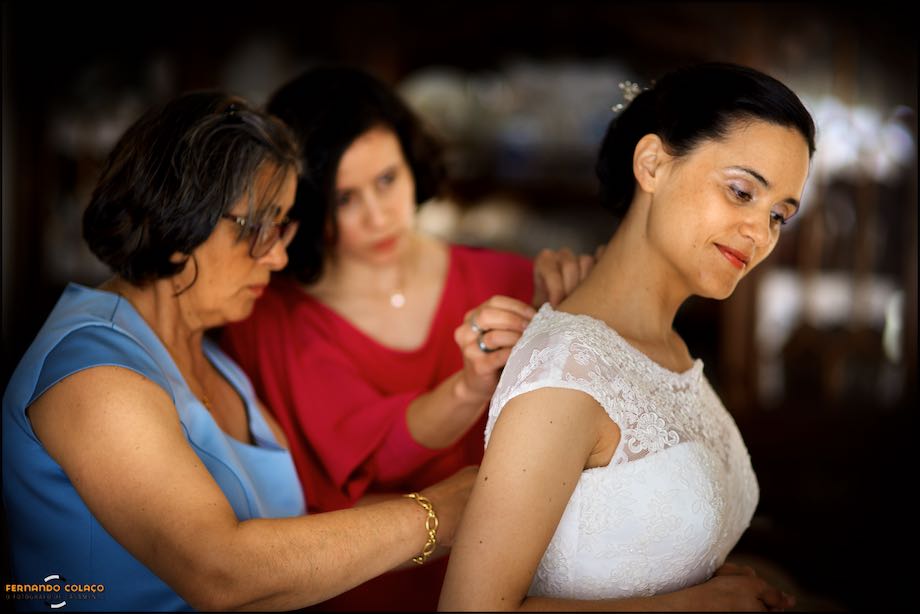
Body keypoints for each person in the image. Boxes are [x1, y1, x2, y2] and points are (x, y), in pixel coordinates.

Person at [1, 91, 476, 612]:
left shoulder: (205, 348)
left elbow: (292, 533)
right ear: (180, 218)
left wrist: (477, 505)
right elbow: (219, 572)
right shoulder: (94, 379)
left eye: (284, 225)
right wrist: (434, 514)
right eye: (259, 228)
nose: (277, 256)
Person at [439, 62, 816, 611]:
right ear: (653, 164)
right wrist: (694, 606)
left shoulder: (674, 352)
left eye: (780, 215)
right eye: (740, 192)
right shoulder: (567, 367)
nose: (759, 233)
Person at [220, 66, 593, 611]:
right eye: (345, 199)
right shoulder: (267, 316)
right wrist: (467, 387)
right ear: (301, 202)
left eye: (388, 180)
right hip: (341, 593)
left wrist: (587, 297)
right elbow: (372, 456)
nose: (377, 215)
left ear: (413, 164)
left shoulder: (509, 281)